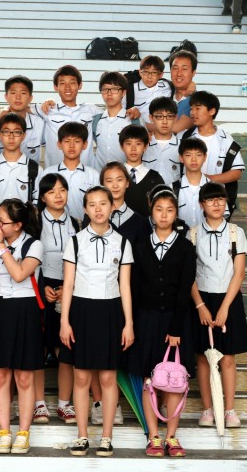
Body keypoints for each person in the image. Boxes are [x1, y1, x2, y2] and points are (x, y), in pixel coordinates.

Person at [59, 186, 134, 457]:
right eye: (92, 204)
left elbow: (125, 286)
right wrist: (64, 321)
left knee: (107, 376)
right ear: (85, 209)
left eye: (103, 203)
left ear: (113, 206)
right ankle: (82, 436)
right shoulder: (75, 241)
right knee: (80, 376)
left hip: (111, 311)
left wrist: (129, 324)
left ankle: (106, 437)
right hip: (81, 310)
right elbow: (68, 284)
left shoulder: (123, 242)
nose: (98, 209)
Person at [124, 185, 196, 458]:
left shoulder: (186, 247)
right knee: (149, 379)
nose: (164, 215)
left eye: (169, 210)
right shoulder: (140, 246)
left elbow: (185, 288)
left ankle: (171, 436)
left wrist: (176, 328)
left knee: (175, 377)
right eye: (158, 209)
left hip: (176, 322)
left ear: (176, 214)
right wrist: (132, 323)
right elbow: (134, 287)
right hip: (146, 320)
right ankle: (153, 435)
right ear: (151, 214)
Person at [88, 162, 148, 426]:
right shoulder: (93, 217)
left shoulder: (140, 222)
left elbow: (142, 264)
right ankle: (100, 402)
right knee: (96, 354)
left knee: (124, 351)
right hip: (97, 298)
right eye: (108, 180)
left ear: (127, 183)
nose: (114, 185)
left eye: (119, 179)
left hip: (129, 294)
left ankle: (128, 402)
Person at [0, 199, 44, 455]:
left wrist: (2, 247)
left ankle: (23, 433)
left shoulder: (33, 245)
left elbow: (19, 274)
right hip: (0, 305)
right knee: (0, 374)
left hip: (25, 307)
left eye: (2, 221)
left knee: (24, 376)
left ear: (18, 225)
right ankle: (4, 432)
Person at [190, 182, 247, 430]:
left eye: (220, 199)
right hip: (202, 299)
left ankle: (229, 410)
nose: (216, 204)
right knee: (203, 357)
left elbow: (239, 273)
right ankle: (207, 409)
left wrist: (225, 307)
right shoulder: (192, 234)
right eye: (210, 200)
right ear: (201, 204)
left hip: (229, 298)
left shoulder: (236, 233)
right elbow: (189, 275)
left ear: (226, 203)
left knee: (227, 357)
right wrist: (200, 305)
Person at [35, 174, 78, 425]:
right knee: (38, 347)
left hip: (69, 286)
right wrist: (42, 287)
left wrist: (67, 288)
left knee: (66, 348)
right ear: (42, 197)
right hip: (40, 286)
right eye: (51, 192)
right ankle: (39, 404)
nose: (58, 195)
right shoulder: (34, 222)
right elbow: (28, 257)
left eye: (62, 190)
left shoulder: (77, 222)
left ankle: (64, 404)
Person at [182, 91, 245, 215]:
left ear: (212, 111)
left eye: (198, 108)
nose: (193, 113)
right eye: (191, 109)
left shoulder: (226, 140)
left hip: (216, 204)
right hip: (187, 201)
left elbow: (237, 172)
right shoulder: (185, 137)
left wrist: (207, 179)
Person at [34, 65, 102, 168]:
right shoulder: (48, 109)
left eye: (72, 83)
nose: (67, 87)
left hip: (85, 172)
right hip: (55, 174)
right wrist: (6, 110)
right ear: (55, 87)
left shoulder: (91, 110)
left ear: (80, 85)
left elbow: (113, 113)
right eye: (62, 83)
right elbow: (22, 107)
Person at [0, 113, 42, 223]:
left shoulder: (35, 169)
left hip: (22, 229)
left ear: (24, 136)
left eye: (17, 132)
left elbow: (35, 206)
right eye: (6, 131)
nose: (11, 136)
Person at [41, 122, 99, 222]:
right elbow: (40, 204)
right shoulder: (48, 173)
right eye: (67, 141)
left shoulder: (93, 175)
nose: (72, 145)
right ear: (59, 144)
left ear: (85, 145)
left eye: (77, 141)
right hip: (54, 227)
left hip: (85, 227)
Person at [0, 75, 45, 162]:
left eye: (23, 93)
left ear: (30, 98)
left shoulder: (39, 124)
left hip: (30, 170)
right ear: (6, 97)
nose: (18, 97)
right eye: (13, 93)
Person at [92, 71, 140, 169]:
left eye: (114, 89)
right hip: (100, 175)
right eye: (105, 89)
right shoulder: (96, 121)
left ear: (123, 92)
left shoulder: (133, 120)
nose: (109, 93)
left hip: (126, 176)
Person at [120, 124, 165, 218]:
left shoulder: (155, 177)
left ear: (145, 146)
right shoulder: (115, 176)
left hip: (148, 226)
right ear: (122, 147)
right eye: (128, 144)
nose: (133, 149)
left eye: (138, 144)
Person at [175, 138, 217, 229]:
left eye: (198, 155)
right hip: (181, 237)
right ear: (181, 158)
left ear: (205, 157)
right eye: (188, 155)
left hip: (207, 237)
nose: (193, 159)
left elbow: (220, 219)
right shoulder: (172, 188)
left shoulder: (215, 189)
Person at [124, 55, 174, 125]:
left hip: (162, 127)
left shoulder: (168, 86)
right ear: (140, 72)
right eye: (145, 72)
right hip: (138, 128)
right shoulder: (130, 89)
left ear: (161, 75)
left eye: (154, 72)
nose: (149, 77)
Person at [143, 97, 181, 188]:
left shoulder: (182, 146)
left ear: (175, 118)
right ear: (151, 118)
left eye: (169, 116)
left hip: (173, 194)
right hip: (146, 193)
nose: (165, 121)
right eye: (159, 116)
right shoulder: (142, 145)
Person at [169, 51, 198, 134]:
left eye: (184, 69)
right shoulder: (164, 92)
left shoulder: (197, 102)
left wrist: (144, 126)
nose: (179, 73)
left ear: (193, 73)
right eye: (175, 68)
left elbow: (175, 128)